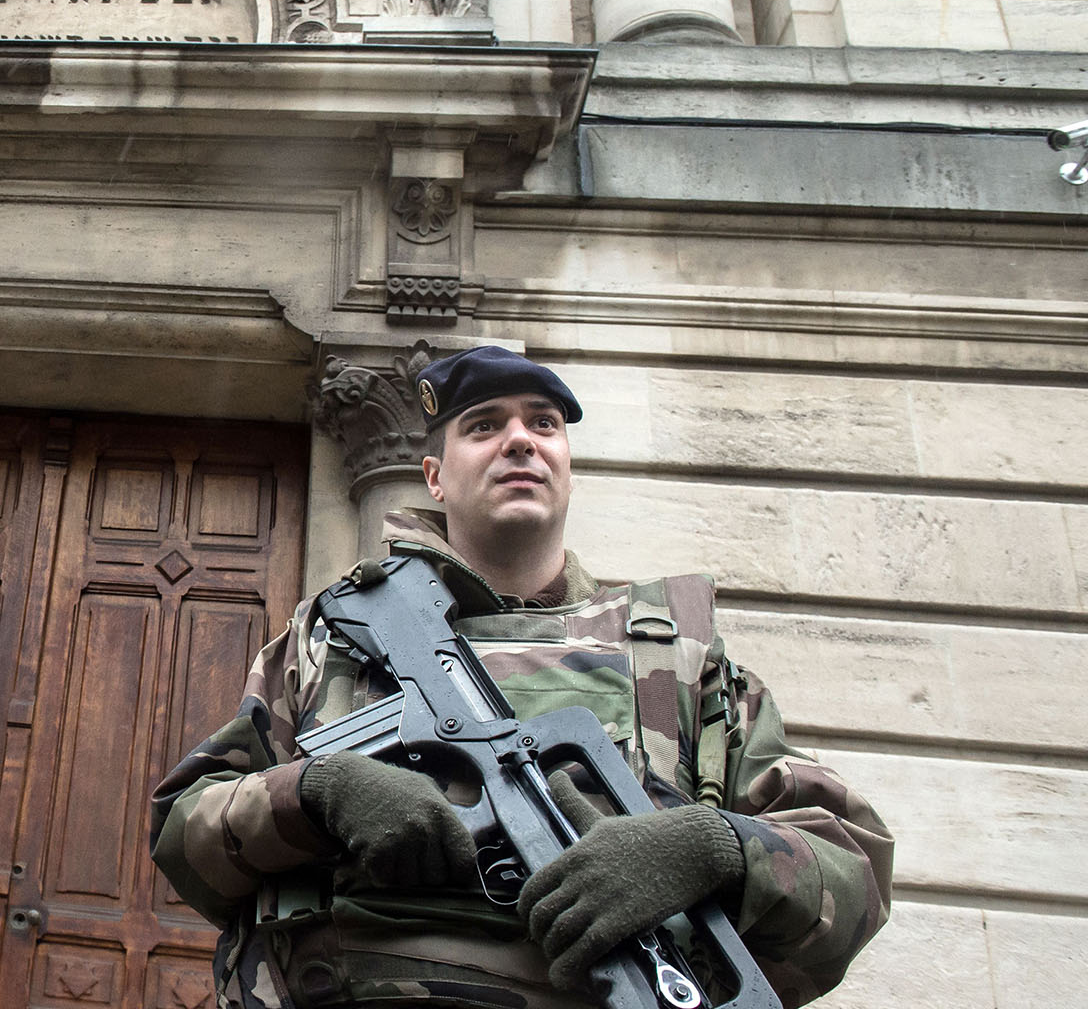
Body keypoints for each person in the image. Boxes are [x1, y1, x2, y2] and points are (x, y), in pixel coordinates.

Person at [150, 346, 892, 1009]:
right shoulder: (333, 635)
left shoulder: (675, 659)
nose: (519, 442)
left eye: (543, 425)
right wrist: (314, 795)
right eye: (484, 427)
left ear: (567, 463)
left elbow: (854, 871)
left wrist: (715, 849)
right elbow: (185, 835)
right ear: (435, 477)